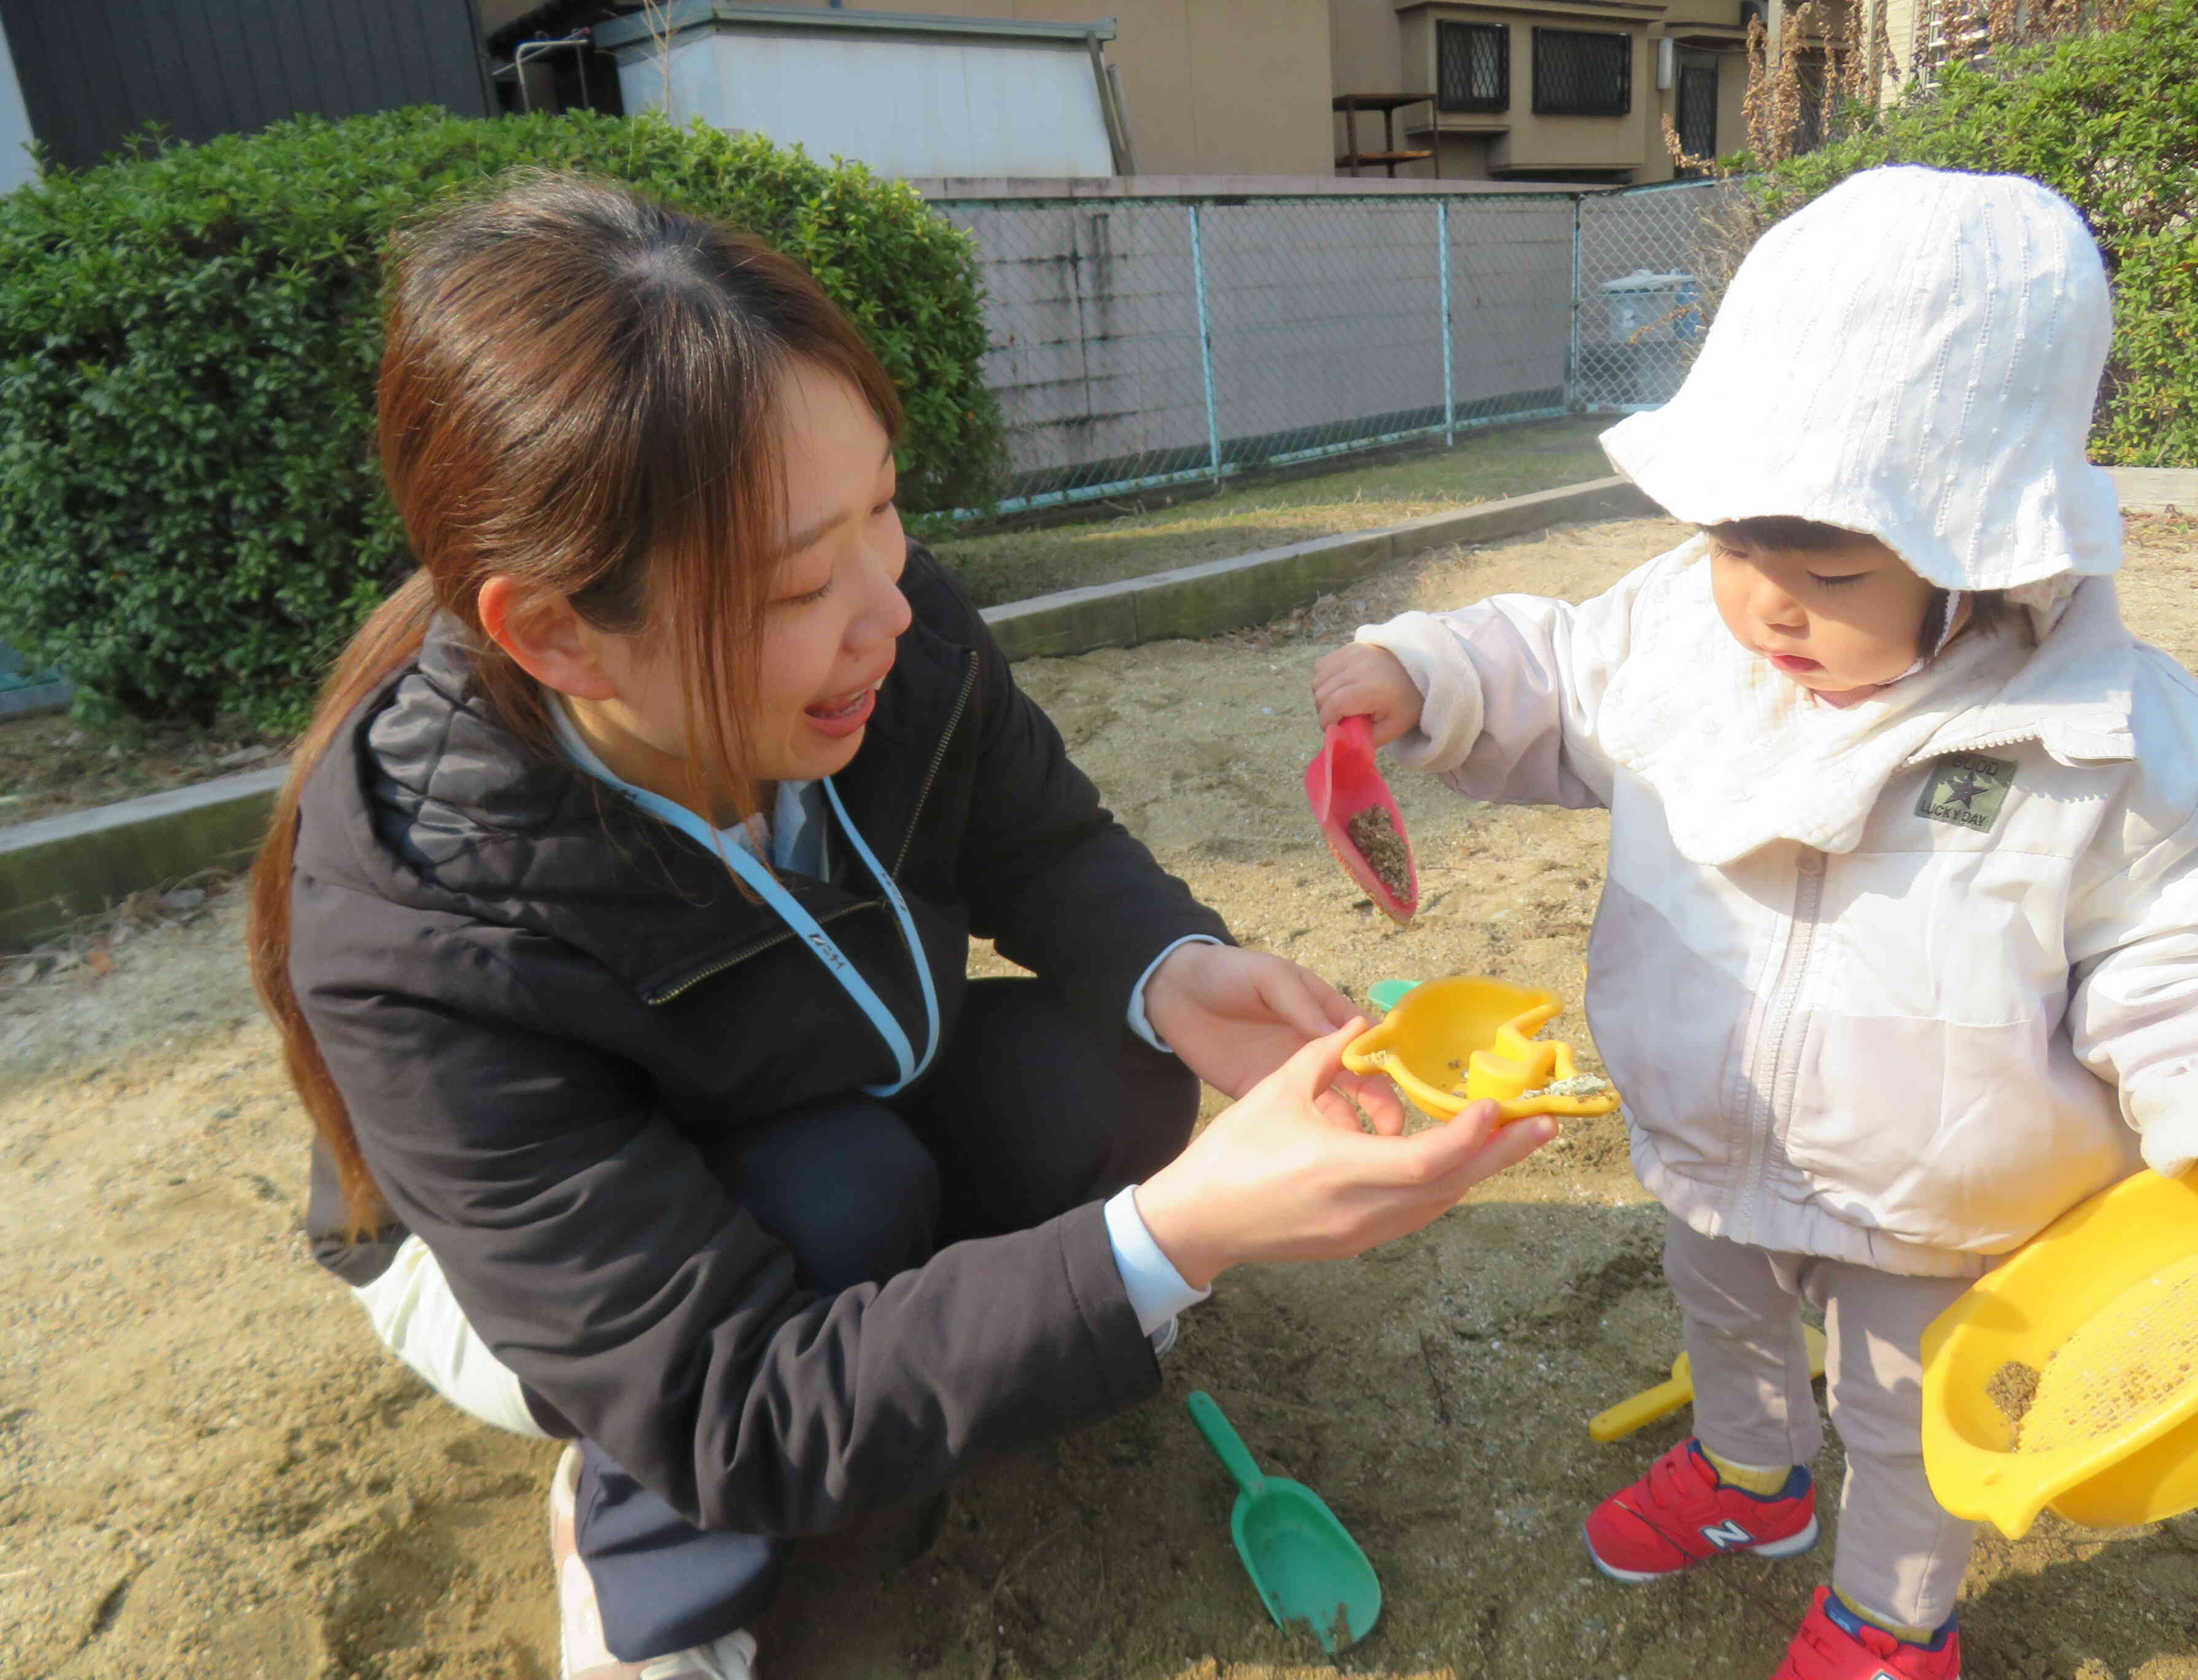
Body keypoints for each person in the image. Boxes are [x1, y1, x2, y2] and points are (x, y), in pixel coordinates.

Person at [246, 175, 1555, 1680]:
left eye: (884, 506)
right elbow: (730, 1394)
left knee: (1107, 1074)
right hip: (566, 1301)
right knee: (837, 1201)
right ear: (555, 634)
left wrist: (1175, 971)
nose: (891, 605)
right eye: (801, 580)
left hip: (815, 1084)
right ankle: (642, 1556)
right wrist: (1170, 1238)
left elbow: (1034, 837)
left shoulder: (889, 621)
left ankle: (936, 1354)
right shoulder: (421, 917)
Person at [1311, 165, 2198, 1680]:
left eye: (1829, 572)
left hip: (1942, 1199)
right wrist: (1432, 672)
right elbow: (1558, 669)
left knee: (1908, 1415)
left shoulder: (2111, 742)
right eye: (1735, 548)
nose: (1765, 606)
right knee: (1724, 1320)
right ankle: (1753, 1481)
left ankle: (1891, 1618)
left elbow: (2194, 943)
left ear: (1987, 553)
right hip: (1712, 1122)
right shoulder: (1691, 634)